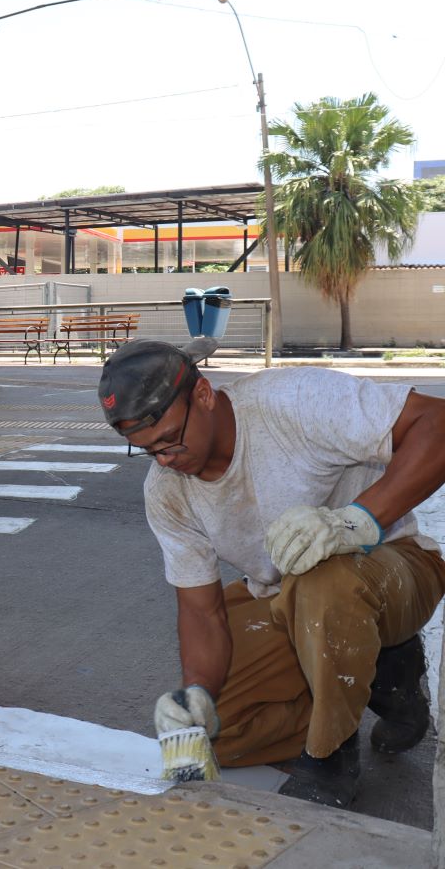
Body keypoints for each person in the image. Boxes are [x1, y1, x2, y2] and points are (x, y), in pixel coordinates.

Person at [97, 338, 445, 808]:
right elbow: (203, 613)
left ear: (203, 395)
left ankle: (334, 748)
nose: (165, 460)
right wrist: (197, 695)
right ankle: (355, 678)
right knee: (220, 730)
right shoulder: (167, 492)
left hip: (395, 568)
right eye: (148, 451)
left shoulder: (292, 401)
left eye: (170, 440)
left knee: (321, 577)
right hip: (283, 599)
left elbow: (437, 423)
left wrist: (356, 521)